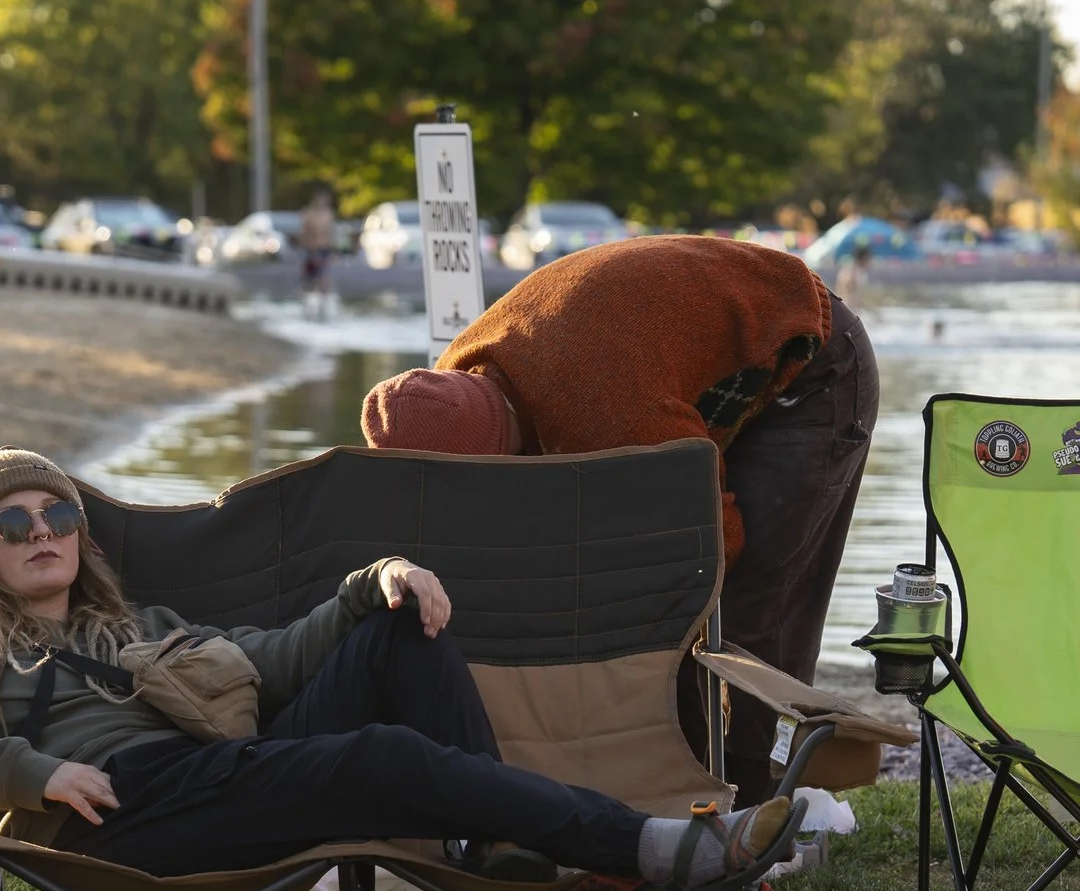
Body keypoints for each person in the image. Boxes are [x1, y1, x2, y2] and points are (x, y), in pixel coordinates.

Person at [0, 449, 802, 891]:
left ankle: (479, 847)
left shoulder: (137, 625)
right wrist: (34, 773)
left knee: (398, 630)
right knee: (381, 754)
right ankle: (660, 849)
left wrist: (370, 584)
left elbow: (268, 662)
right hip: (120, 818)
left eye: (56, 516)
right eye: (12, 525)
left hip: (224, 775)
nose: (42, 537)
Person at [357, 234, 878, 812]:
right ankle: (658, 818)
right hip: (669, 355)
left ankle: (745, 843)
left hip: (809, 356)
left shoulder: (604, 414)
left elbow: (711, 544)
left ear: (510, 458)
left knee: (741, 608)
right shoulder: (447, 387)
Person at [297, 189, 337, 320]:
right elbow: (303, 233)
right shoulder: (308, 214)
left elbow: (331, 234)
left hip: (324, 249)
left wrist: (333, 251)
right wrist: (308, 248)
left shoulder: (329, 215)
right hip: (310, 250)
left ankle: (323, 308)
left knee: (324, 279)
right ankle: (307, 308)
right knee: (310, 280)